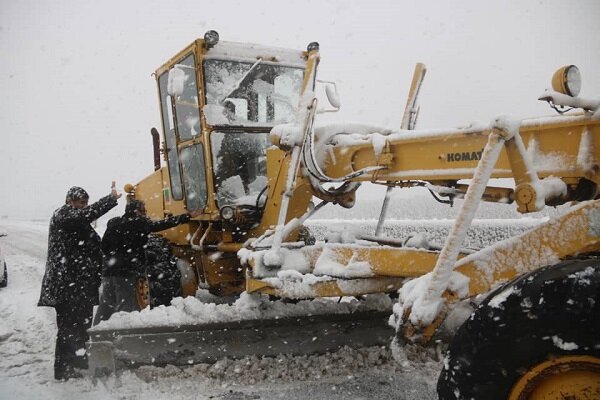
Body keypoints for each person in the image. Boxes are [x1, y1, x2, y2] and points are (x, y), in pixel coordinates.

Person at [38, 183, 121, 381]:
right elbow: (84, 216)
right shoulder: (63, 215)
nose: (84, 206)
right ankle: (65, 368)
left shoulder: (77, 220)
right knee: (69, 327)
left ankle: (80, 362)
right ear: (69, 201)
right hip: (67, 284)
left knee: (82, 325)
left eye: (86, 203)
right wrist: (109, 200)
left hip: (80, 284)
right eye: (81, 203)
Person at [92, 199, 191, 324]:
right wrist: (186, 216)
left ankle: (97, 332)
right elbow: (160, 225)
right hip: (126, 272)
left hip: (109, 271)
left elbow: (104, 246)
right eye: (143, 211)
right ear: (136, 211)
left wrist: (113, 259)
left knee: (106, 305)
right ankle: (125, 335)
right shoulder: (139, 223)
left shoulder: (113, 223)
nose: (145, 213)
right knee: (127, 307)